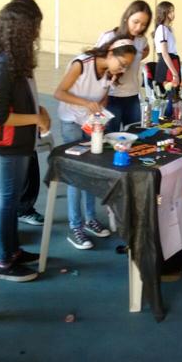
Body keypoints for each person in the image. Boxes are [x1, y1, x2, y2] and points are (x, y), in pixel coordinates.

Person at [0, 0, 51, 282]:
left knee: (11, 197)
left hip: (18, 142)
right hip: (7, 143)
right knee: (7, 200)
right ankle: (3, 262)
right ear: (21, 29)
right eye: (34, 27)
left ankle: (13, 250)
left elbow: (19, 99)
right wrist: (35, 119)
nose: (37, 33)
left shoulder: (14, 60)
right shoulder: (2, 65)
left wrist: (37, 110)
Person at [55, 37, 136, 249]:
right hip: (72, 123)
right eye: (122, 64)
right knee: (76, 175)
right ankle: (75, 227)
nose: (122, 70)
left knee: (91, 171)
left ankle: (91, 219)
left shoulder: (110, 73)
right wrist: (86, 103)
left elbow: (104, 99)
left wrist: (99, 112)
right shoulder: (81, 64)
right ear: (110, 53)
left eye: (126, 67)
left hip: (90, 124)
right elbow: (59, 92)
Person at [96, 0, 152, 132]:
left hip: (133, 96)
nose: (138, 28)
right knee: (110, 137)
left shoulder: (141, 40)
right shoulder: (109, 36)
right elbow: (96, 64)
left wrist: (133, 61)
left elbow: (145, 50)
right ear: (127, 17)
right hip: (111, 97)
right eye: (135, 22)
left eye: (144, 25)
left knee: (136, 135)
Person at [153, 1, 180, 89]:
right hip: (166, 66)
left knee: (175, 93)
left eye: (173, 11)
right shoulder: (162, 29)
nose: (173, 14)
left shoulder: (169, 29)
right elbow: (164, 53)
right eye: (170, 11)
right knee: (169, 94)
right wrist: (175, 74)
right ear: (164, 13)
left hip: (172, 62)